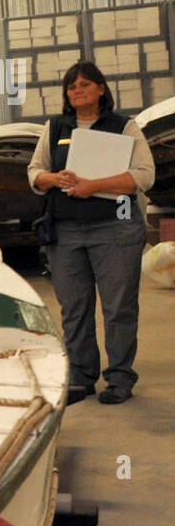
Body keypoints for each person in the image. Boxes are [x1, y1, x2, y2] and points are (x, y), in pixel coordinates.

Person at [28, 62, 155, 405]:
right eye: (71, 87)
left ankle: (119, 378)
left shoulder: (123, 125)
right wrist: (54, 179)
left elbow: (143, 176)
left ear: (101, 89)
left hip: (116, 227)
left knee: (118, 307)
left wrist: (94, 186)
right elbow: (35, 171)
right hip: (65, 231)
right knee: (74, 308)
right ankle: (82, 377)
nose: (77, 90)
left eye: (85, 84)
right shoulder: (55, 127)